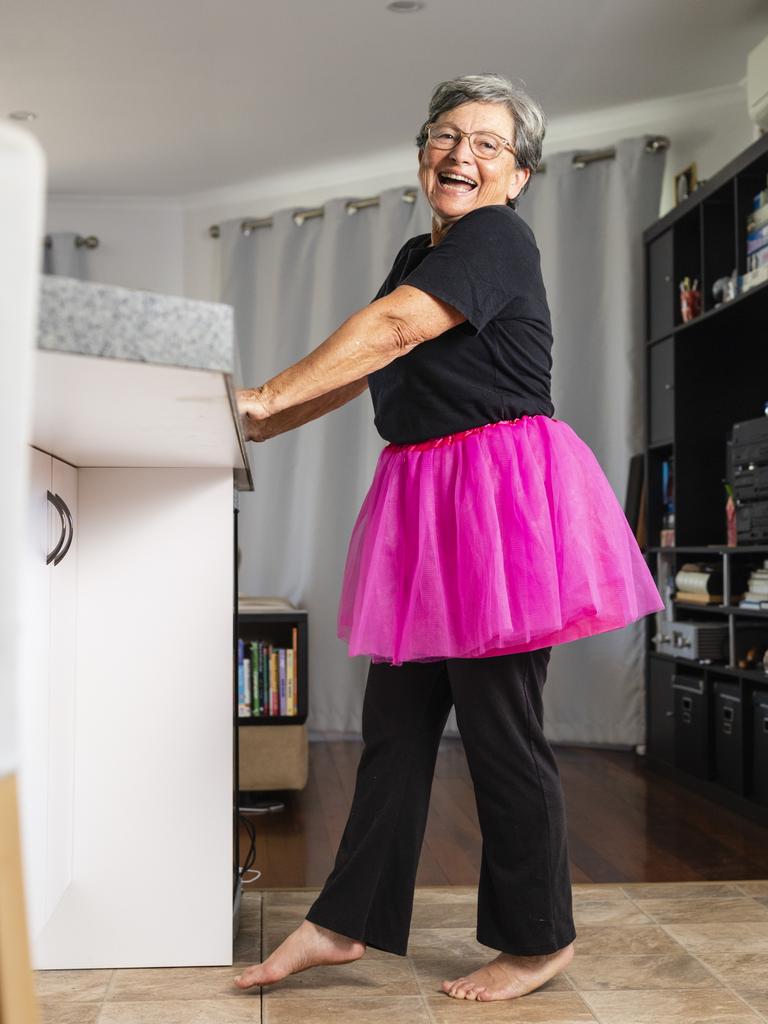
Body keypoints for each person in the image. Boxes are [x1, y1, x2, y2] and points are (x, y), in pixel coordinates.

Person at [233, 73, 664, 1002]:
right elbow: (367, 363)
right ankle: (342, 922)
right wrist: (268, 421)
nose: (461, 155)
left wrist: (266, 392)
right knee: (396, 726)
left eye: (489, 144)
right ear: (421, 152)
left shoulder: (497, 238)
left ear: (519, 176)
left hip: (496, 498)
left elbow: (389, 331)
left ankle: (540, 939)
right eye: (445, 136)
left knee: (501, 727)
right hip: (431, 496)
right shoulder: (417, 254)